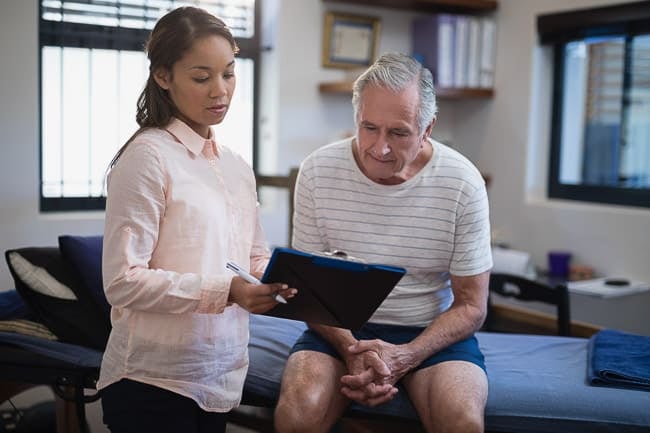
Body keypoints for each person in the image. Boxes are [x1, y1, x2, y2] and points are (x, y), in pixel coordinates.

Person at [97, 6, 295, 433]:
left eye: (229, 73)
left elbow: (253, 257)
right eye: (202, 77)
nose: (220, 91)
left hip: (219, 378)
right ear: (163, 76)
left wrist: (285, 280)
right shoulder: (148, 158)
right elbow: (122, 281)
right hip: (153, 384)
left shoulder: (236, 166)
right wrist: (228, 292)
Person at [274, 52, 492, 433]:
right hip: (338, 329)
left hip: (430, 335)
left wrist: (406, 355)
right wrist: (351, 348)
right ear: (356, 118)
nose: (380, 148)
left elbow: (472, 306)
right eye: (369, 127)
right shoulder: (317, 171)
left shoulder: (463, 182)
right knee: (297, 414)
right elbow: (305, 291)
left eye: (399, 132)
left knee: (461, 421)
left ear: (427, 129)